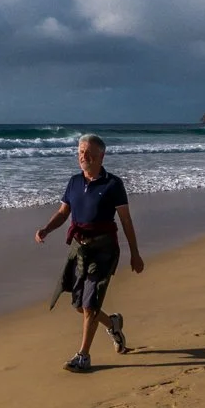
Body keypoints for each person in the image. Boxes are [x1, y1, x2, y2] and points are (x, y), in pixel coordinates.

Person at [35, 133, 144, 371]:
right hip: (79, 249)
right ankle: (113, 323)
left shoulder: (113, 184)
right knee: (79, 304)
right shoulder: (74, 182)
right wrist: (46, 229)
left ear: (101, 156)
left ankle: (83, 355)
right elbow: (64, 213)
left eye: (88, 152)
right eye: (80, 152)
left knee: (90, 303)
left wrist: (135, 253)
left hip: (104, 250)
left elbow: (126, 221)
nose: (83, 156)